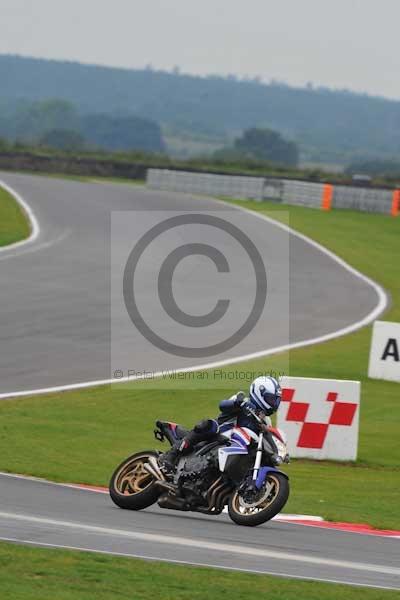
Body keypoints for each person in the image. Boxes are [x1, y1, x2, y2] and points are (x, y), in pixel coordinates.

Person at [159, 375, 282, 472]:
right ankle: (171, 454)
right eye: (270, 399)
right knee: (209, 425)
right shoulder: (242, 402)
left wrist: (276, 454)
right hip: (220, 436)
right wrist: (238, 404)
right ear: (258, 393)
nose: (273, 404)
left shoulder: (266, 421)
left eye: (275, 400)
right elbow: (222, 405)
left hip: (238, 449)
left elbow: (268, 439)